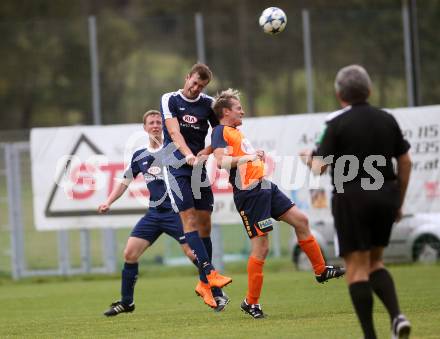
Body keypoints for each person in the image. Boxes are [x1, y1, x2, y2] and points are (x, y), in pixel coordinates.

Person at [210, 88, 345, 319]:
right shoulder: (220, 130)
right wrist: (249, 158)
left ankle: (321, 270)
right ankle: (251, 303)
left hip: (263, 186)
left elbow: (240, 157)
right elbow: (221, 161)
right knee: (262, 247)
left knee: (302, 221)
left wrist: (254, 155)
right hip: (249, 193)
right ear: (225, 112)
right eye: (237, 107)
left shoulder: (235, 131)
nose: (242, 110)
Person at [301, 65, 412, 339]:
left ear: (340, 95)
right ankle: (397, 316)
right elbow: (406, 160)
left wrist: (307, 157)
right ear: (369, 90)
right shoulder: (387, 119)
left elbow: (319, 167)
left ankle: (370, 335)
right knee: (376, 262)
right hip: (386, 194)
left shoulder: (336, 123)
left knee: (356, 268)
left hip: (351, 198)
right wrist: (398, 200)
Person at [98, 110, 228, 316]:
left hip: (176, 212)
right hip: (154, 214)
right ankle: (126, 302)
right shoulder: (139, 155)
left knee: (193, 253)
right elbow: (124, 182)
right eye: (151, 122)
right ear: (145, 128)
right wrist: (108, 202)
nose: (156, 125)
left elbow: (193, 166)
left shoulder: (173, 151)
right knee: (129, 253)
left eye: (159, 122)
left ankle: (217, 292)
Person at [160, 63, 232, 305]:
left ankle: (205, 285)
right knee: (189, 219)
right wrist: (187, 154)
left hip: (197, 168)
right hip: (176, 166)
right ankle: (211, 275)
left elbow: (219, 133)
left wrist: (206, 151)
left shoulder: (208, 104)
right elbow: (174, 132)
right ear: (187, 77)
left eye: (201, 86)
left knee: (205, 225)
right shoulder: (169, 99)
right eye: (194, 82)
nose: (195, 88)